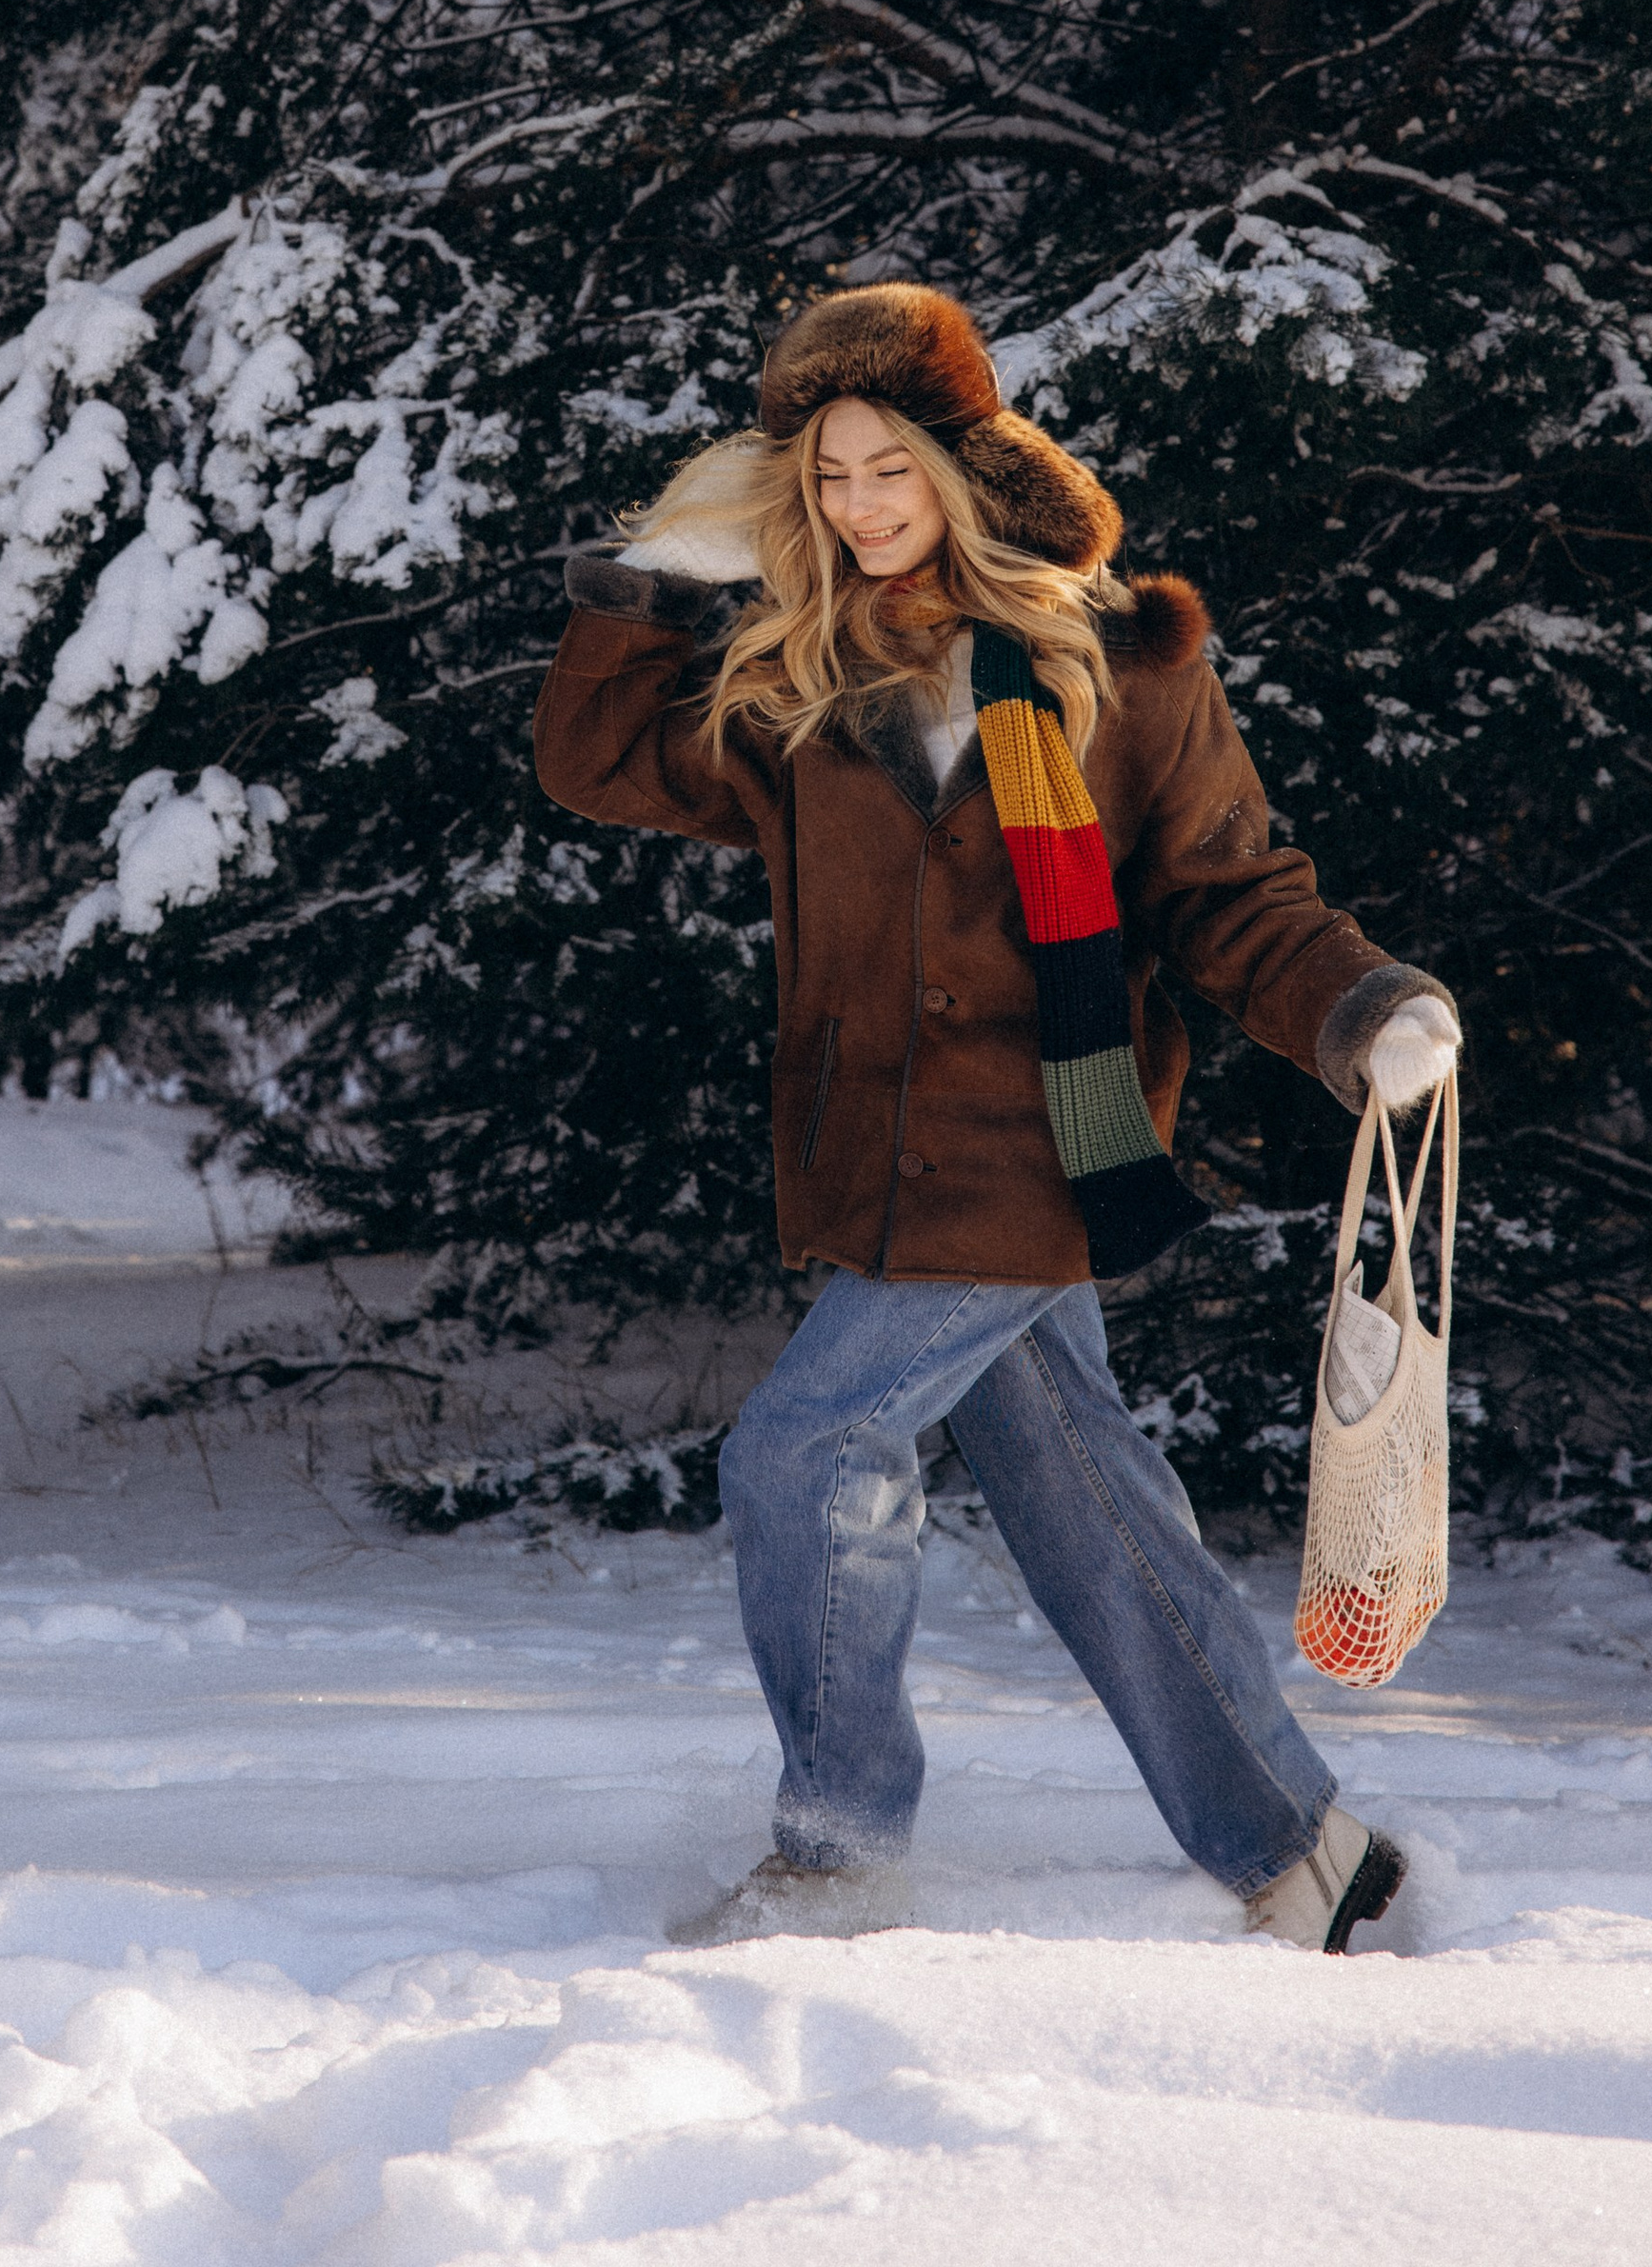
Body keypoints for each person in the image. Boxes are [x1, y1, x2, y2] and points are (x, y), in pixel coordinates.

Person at [533, 281, 1460, 1955]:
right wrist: (651, 581)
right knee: (1091, 1509)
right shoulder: (801, 679)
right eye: (825, 479)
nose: (863, 507)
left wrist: (1360, 1005)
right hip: (878, 1163)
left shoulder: (1123, 663)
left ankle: (837, 1854)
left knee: (808, 1447)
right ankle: (1306, 1848)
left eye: (890, 467)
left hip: (1044, 1149)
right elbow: (600, 761)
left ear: (963, 465)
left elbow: (1229, 892)